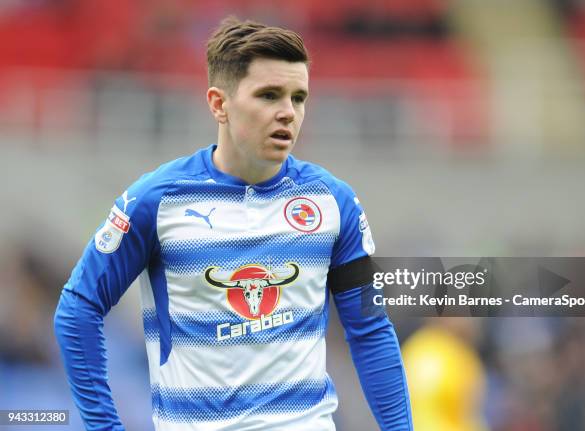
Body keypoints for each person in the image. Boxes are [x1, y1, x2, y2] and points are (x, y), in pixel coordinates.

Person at [54, 16, 413, 431]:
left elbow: (369, 330)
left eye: (299, 98)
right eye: (269, 95)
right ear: (218, 104)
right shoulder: (157, 201)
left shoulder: (333, 202)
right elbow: (78, 308)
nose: (287, 113)